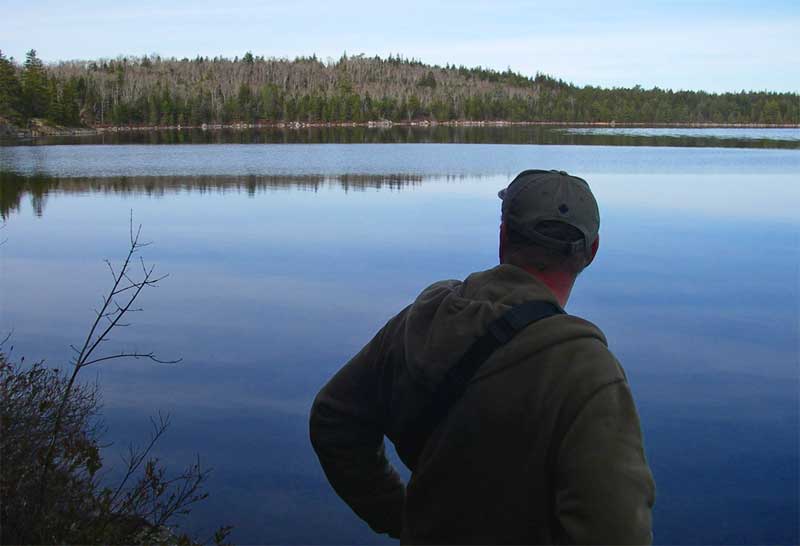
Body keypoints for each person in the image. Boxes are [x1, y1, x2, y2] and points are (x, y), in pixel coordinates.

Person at [309, 169, 655, 544]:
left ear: (503, 235)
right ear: (591, 251)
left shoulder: (423, 319)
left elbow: (334, 420)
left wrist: (401, 516)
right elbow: (617, 533)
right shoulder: (586, 372)